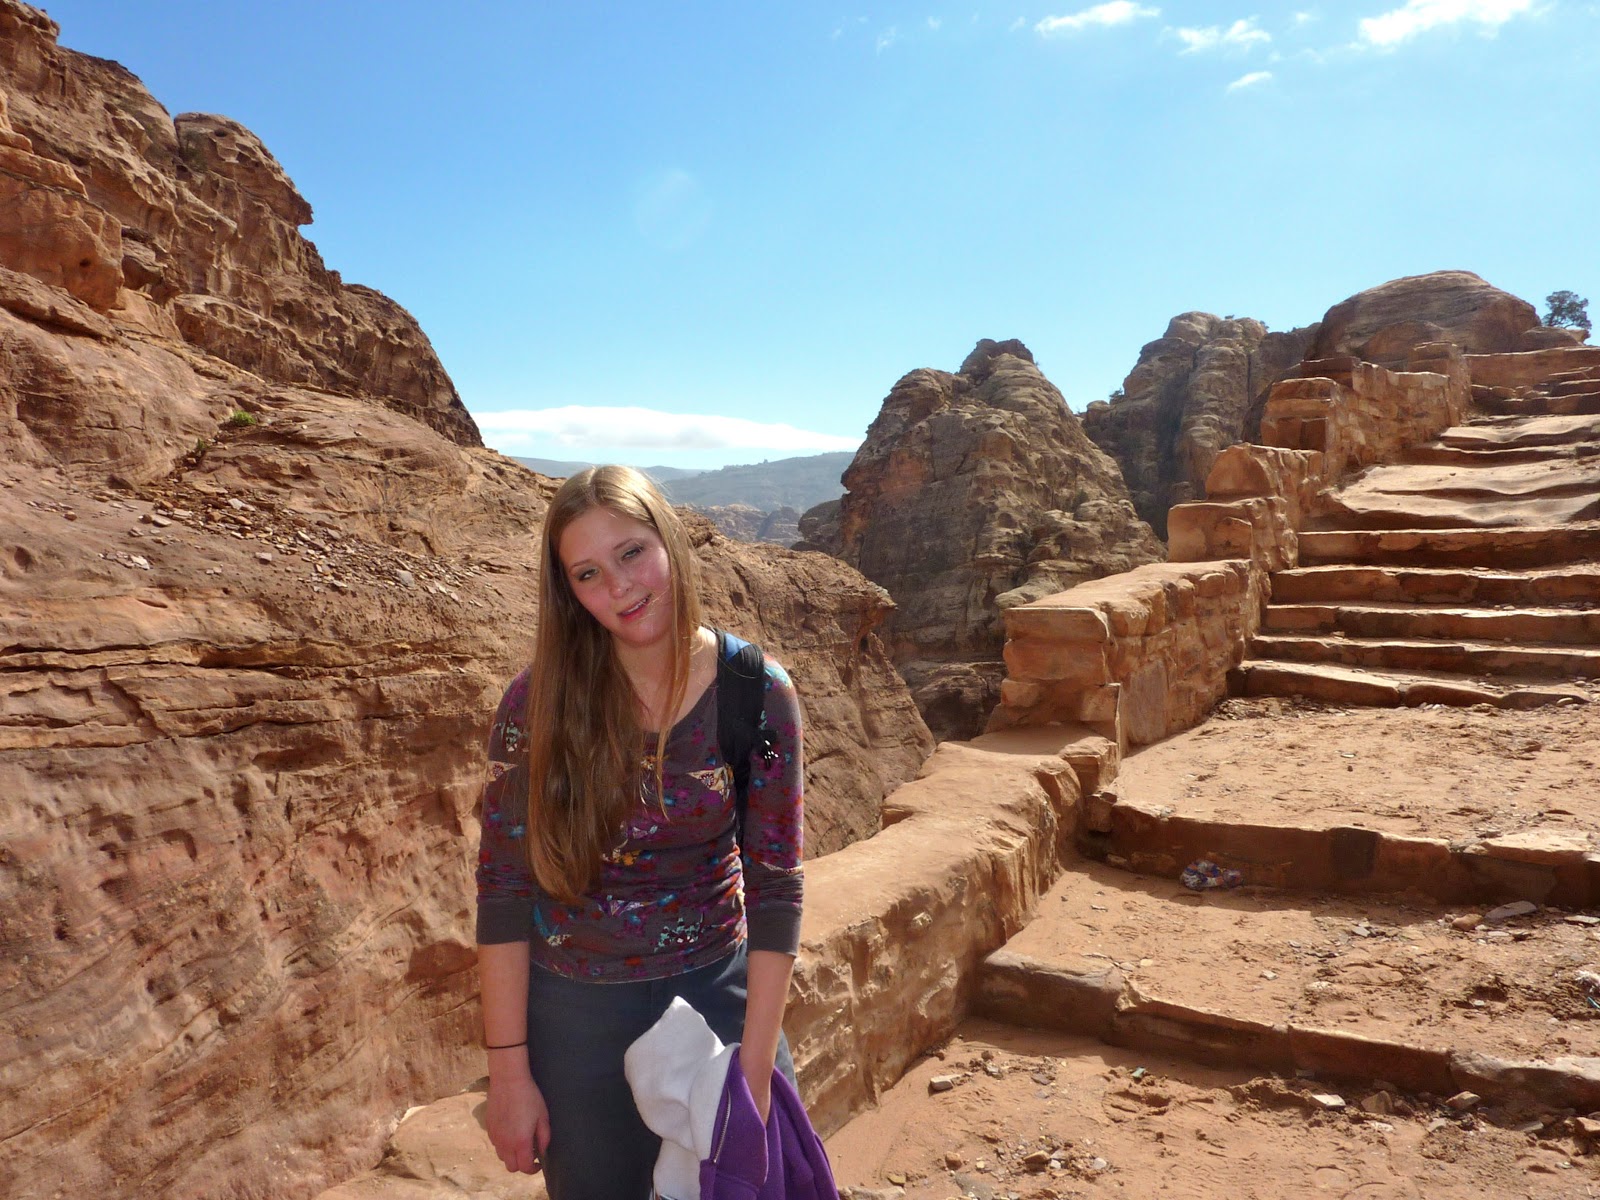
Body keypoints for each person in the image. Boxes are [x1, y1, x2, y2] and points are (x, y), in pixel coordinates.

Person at [475, 465, 805, 1200]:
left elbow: (777, 886)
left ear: (669, 541)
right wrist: (509, 1074)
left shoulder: (755, 691)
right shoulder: (538, 703)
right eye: (588, 574)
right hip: (577, 1024)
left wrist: (755, 1075)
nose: (620, 586)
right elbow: (503, 889)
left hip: (715, 1000)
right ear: (568, 592)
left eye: (631, 553)